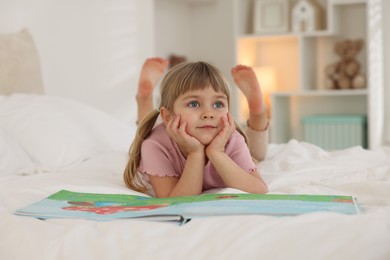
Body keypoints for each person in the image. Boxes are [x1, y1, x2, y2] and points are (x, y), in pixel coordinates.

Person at [125, 57, 269, 198]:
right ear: (167, 116)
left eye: (218, 104)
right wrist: (195, 153)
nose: (208, 114)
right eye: (194, 104)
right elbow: (173, 199)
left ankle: (258, 111)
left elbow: (260, 189)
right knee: (145, 132)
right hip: (164, 134)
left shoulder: (232, 139)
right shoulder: (155, 145)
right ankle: (144, 100)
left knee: (256, 155)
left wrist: (217, 152)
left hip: (229, 144)